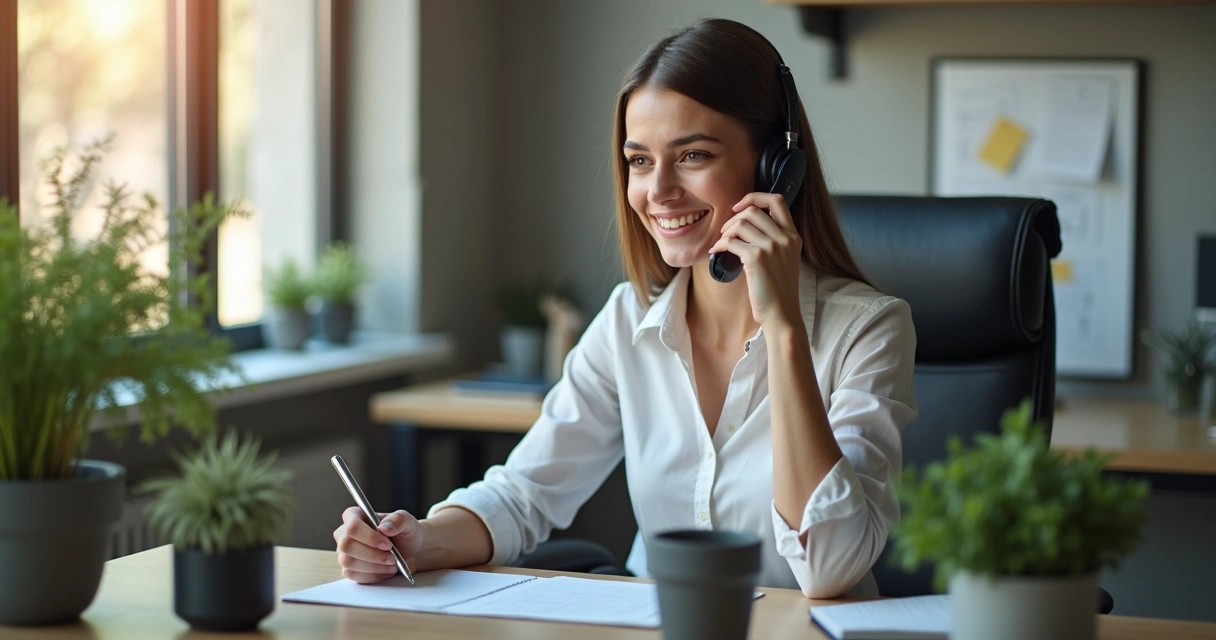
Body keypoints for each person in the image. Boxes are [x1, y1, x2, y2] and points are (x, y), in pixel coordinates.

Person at [334, 18, 916, 599]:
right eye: (639, 161)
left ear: (776, 168)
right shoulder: (626, 320)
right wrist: (418, 540)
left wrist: (784, 330)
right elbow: (525, 492)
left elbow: (831, 567)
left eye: (693, 155)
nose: (658, 191)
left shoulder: (867, 329)